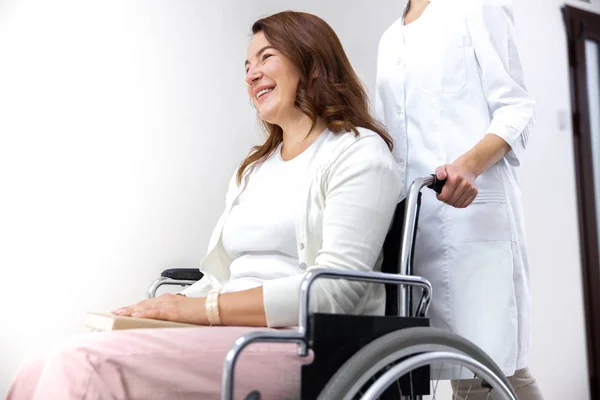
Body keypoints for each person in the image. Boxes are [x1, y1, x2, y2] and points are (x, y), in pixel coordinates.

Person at [6, 11, 402, 400]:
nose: (251, 74)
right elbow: (221, 279)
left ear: (312, 63)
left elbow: (333, 293)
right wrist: (171, 306)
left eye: (266, 57)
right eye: (247, 65)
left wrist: (202, 311)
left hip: (303, 343)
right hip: (229, 333)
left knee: (82, 366)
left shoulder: (358, 154)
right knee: (40, 365)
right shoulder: (254, 169)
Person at [375, 0, 543, 398]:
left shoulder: (476, 6)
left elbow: (516, 106)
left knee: (483, 369)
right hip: (417, 228)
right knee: (480, 371)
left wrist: (468, 164)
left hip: (473, 218)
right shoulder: (389, 38)